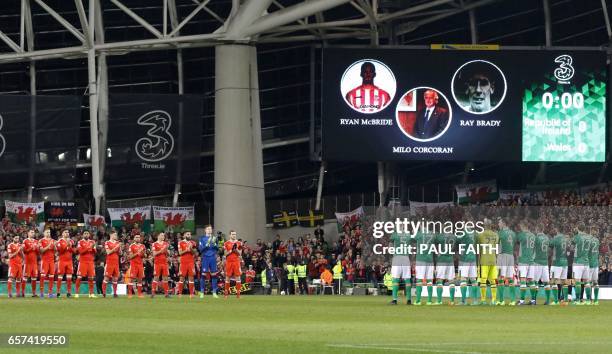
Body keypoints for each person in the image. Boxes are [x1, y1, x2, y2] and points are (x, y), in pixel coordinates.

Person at [388, 231, 412, 305]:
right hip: (405, 257)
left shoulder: (395, 234)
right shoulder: (408, 235)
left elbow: (390, 243)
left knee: (395, 279)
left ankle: (394, 300)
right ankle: (408, 300)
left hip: (397, 257)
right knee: (407, 279)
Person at [497, 219, 516, 305]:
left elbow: (496, 244)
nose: (498, 224)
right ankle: (512, 300)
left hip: (502, 256)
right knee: (510, 279)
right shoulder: (513, 233)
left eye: (499, 222)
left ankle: (501, 300)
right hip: (511, 256)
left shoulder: (500, 233)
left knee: (500, 278)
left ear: (504, 223)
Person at [457, 227, 478, 305]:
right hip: (473, 257)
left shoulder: (463, 233)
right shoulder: (474, 234)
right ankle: (475, 301)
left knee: (463, 279)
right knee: (473, 280)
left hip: (465, 258)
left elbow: (457, 239)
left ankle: (463, 301)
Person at [517, 222, 537, 305]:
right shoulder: (533, 236)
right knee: (531, 280)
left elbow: (517, 242)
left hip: (523, 260)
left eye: (521, 225)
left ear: (524, 226)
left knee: (523, 279)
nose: (520, 227)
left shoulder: (521, 235)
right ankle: (533, 300)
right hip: (531, 261)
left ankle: (521, 301)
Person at [414, 231, 435, 305]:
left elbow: (413, 239)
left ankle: (418, 301)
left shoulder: (419, 233)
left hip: (421, 259)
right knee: (429, 280)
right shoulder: (432, 234)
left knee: (419, 279)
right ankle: (429, 301)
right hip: (429, 259)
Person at [550, 226, 570, 305]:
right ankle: (564, 300)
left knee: (554, 281)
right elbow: (569, 251)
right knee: (564, 281)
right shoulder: (567, 240)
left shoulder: (555, 239)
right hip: (565, 262)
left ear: (557, 229)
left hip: (556, 263)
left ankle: (555, 301)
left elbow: (550, 245)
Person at [198, 225, 219, 299]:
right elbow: (200, 249)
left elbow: (217, 249)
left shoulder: (214, 238)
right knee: (203, 275)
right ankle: (202, 292)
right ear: (205, 230)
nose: (210, 230)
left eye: (210, 229)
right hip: (205, 258)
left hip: (212, 258)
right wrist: (206, 246)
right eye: (208, 229)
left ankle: (214, 293)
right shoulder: (202, 238)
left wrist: (215, 245)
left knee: (214, 275)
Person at [435, 233, 456, 305]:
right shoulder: (454, 237)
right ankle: (452, 301)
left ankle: (439, 301)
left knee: (439, 280)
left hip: (442, 260)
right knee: (451, 281)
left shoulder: (440, 236)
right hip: (450, 260)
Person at [571, 224, 590, 305]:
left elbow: (571, 247)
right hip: (586, 262)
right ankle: (588, 300)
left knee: (577, 282)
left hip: (578, 262)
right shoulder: (588, 237)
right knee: (587, 282)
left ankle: (578, 300)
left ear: (578, 228)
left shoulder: (577, 237)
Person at [532, 227, 551, 305]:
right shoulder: (547, 238)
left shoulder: (536, 238)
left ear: (537, 229)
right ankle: (548, 301)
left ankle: (534, 300)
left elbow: (533, 248)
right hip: (545, 262)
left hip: (537, 261)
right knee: (546, 282)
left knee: (535, 282)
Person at [75, 230, 97, 298]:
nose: (86, 234)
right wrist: (89, 247)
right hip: (82, 262)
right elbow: (81, 251)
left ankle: (91, 293)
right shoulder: (80, 242)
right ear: (83, 235)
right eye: (85, 233)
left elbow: (95, 252)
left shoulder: (92, 242)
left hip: (90, 262)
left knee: (91, 278)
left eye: (87, 233)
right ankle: (76, 293)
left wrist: (93, 248)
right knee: (79, 277)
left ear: (89, 235)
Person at [223, 230, 243, 298]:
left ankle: (238, 294)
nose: (234, 235)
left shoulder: (239, 243)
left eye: (235, 234)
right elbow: (225, 254)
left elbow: (240, 254)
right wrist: (231, 250)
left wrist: (236, 250)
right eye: (232, 234)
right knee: (227, 277)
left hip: (236, 262)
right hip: (229, 262)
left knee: (238, 277)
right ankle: (226, 294)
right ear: (230, 235)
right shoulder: (226, 243)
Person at [177, 231, 197, 298]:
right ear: (184, 235)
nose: (189, 235)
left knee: (191, 278)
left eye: (190, 234)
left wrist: (191, 249)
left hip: (191, 262)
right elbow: (180, 253)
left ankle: (191, 294)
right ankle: (179, 294)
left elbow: (195, 253)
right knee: (181, 278)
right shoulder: (180, 242)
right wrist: (186, 250)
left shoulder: (193, 243)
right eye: (188, 234)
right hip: (183, 262)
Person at [56, 229, 74, 298]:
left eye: (68, 232)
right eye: (65, 232)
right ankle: (58, 292)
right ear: (62, 234)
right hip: (62, 261)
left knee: (69, 277)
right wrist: (67, 244)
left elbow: (72, 251)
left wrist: (70, 247)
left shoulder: (71, 241)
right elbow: (61, 251)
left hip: (69, 261)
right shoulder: (60, 241)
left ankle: (69, 292)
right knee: (60, 276)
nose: (67, 233)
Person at [102, 231, 122, 298]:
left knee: (115, 279)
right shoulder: (107, 242)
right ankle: (104, 293)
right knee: (106, 278)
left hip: (116, 263)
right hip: (109, 263)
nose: (116, 236)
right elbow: (108, 252)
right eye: (115, 235)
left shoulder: (117, 243)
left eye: (116, 235)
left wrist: (120, 248)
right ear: (111, 235)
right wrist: (116, 247)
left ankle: (115, 293)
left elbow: (120, 253)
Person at [151, 232, 170, 298]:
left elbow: (168, 254)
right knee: (156, 277)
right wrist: (161, 250)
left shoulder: (166, 244)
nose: (163, 237)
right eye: (162, 235)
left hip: (164, 263)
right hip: (157, 263)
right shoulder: (154, 244)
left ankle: (166, 294)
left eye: (164, 236)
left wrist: (167, 251)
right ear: (158, 236)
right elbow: (154, 254)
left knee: (165, 278)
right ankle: (153, 293)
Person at [39, 229, 56, 298]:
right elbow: (41, 250)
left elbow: (55, 251)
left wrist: (54, 246)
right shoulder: (41, 241)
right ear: (44, 233)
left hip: (52, 261)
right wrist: (49, 245)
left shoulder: (53, 240)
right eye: (47, 232)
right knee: (43, 276)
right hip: (44, 261)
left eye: (49, 232)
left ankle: (50, 293)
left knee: (51, 276)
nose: (48, 233)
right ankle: (41, 293)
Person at [127, 234, 146, 298]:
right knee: (132, 279)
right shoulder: (131, 246)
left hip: (140, 264)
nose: (138, 238)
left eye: (139, 237)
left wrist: (143, 254)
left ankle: (139, 294)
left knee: (140, 279)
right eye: (136, 237)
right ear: (134, 238)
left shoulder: (143, 246)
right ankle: (130, 293)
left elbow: (145, 256)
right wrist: (137, 252)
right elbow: (130, 256)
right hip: (134, 265)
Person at [22, 229, 39, 297]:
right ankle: (22, 293)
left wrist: (37, 248)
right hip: (27, 262)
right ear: (28, 233)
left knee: (34, 277)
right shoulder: (25, 241)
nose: (33, 234)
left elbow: (38, 253)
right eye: (31, 232)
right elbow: (24, 251)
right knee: (25, 277)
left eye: (33, 233)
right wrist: (31, 248)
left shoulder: (36, 241)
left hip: (34, 262)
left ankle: (34, 293)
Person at [587, 227, 600, 305]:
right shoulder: (597, 240)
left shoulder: (588, 240)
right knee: (595, 282)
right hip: (596, 263)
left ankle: (588, 300)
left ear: (591, 231)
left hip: (589, 263)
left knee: (587, 282)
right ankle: (596, 300)